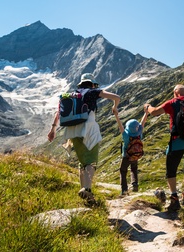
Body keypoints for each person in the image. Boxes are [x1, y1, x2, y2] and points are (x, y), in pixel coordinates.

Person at [47, 73, 120, 204]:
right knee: (91, 161)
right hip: (89, 128)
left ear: (80, 84)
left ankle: (84, 190)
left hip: (73, 130)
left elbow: (58, 113)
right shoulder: (93, 92)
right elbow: (116, 97)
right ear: (92, 84)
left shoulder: (71, 95)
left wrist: (52, 130)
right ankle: (87, 189)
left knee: (82, 162)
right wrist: (115, 106)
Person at [114, 107, 148, 195]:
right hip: (135, 155)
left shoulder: (126, 135)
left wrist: (116, 115)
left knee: (123, 171)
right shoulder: (139, 134)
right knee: (134, 169)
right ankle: (135, 184)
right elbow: (142, 123)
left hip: (126, 156)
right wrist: (146, 113)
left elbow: (120, 125)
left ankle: (124, 190)